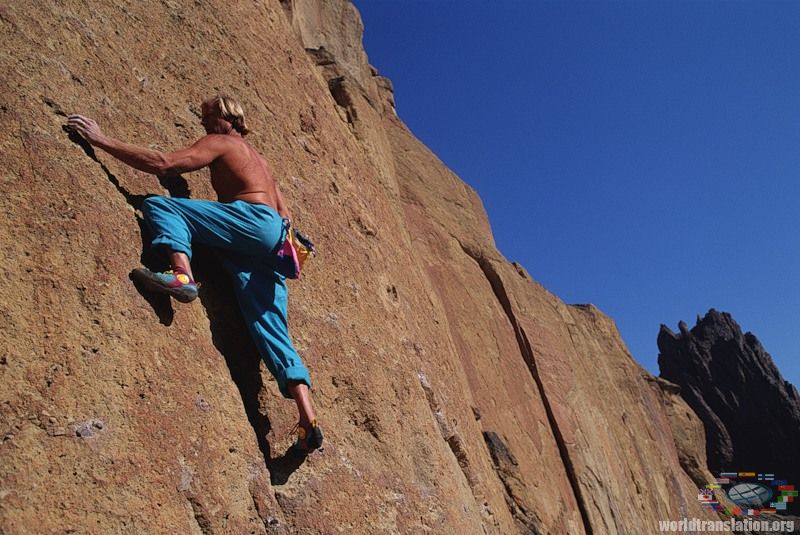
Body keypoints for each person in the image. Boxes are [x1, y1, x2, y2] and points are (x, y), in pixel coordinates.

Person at [67, 96, 322, 452]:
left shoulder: (221, 142)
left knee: (160, 206)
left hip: (252, 223)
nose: (203, 124)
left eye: (207, 117)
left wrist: (101, 139)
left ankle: (182, 275)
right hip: (274, 240)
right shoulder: (260, 162)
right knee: (270, 327)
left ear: (226, 117)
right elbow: (286, 215)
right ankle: (307, 418)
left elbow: (164, 163)